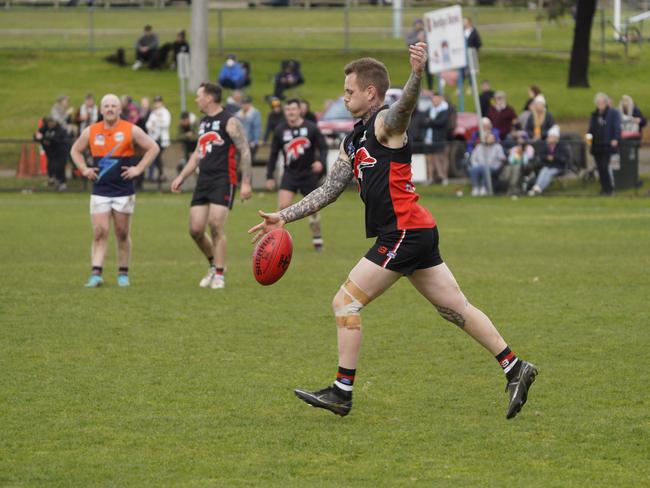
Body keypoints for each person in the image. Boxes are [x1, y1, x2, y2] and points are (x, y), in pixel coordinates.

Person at [249, 43, 537, 419]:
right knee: (455, 308)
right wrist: (285, 216)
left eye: (350, 91)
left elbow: (405, 108)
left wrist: (416, 76)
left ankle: (341, 391)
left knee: (345, 302)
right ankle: (515, 368)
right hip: (414, 232)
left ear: (370, 92)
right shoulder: (353, 141)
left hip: (403, 232)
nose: (344, 95)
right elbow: (331, 189)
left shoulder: (385, 123)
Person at [70, 94, 160, 287]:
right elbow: (75, 150)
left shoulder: (130, 130)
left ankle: (123, 274)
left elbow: (153, 148)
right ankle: (96, 274)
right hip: (100, 190)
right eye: (107, 106)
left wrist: (138, 169)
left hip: (123, 191)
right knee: (100, 231)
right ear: (101, 110)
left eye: (114, 106)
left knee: (121, 233)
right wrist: (84, 169)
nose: (110, 109)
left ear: (120, 110)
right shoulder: (91, 131)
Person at [170, 82, 253, 289]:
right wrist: (181, 176)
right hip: (203, 181)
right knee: (195, 229)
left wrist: (246, 183)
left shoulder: (230, 120)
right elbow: (197, 153)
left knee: (216, 225)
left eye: (199, 96)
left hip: (224, 179)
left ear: (209, 98)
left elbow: (245, 150)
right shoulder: (204, 122)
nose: (196, 99)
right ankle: (212, 264)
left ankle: (219, 274)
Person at [266, 98, 329, 251]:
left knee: (313, 210)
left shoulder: (311, 128)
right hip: (290, 174)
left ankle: (317, 238)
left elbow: (324, 147)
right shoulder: (280, 130)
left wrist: (320, 162)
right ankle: (276, 243)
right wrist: (269, 176)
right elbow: (274, 154)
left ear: (300, 110)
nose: (290, 112)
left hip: (308, 174)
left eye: (293, 109)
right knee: (282, 207)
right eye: (287, 110)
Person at [588, 92, 620, 196]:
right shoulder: (594, 115)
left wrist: (615, 138)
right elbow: (590, 130)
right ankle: (603, 188)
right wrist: (588, 141)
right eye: (598, 102)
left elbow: (616, 127)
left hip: (607, 144)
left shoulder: (613, 113)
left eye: (602, 102)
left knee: (605, 166)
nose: (600, 104)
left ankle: (609, 189)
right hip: (596, 145)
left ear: (606, 103)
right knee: (600, 168)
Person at [528, 125, 569, 196]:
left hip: (558, 166)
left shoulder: (561, 146)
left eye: (552, 137)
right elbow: (541, 155)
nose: (550, 139)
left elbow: (564, 158)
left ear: (556, 138)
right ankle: (536, 187)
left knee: (549, 174)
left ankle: (540, 188)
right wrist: (547, 157)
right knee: (543, 172)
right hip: (548, 165)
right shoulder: (546, 146)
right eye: (549, 137)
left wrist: (554, 158)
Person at [35, 117, 69, 191]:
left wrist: (45, 139)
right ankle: (53, 181)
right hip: (51, 153)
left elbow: (56, 140)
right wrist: (40, 138)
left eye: (51, 122)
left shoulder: (60, 129)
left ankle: (62, 183)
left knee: (60, 167)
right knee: (51, 166)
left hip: (61, 152)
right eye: (48, 123)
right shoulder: (45, 128)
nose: (50, 124)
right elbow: (37, 135)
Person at [423, 92, 450, 185]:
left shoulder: (445, 110)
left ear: (440, 99)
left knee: (442, 158)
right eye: (433, 98)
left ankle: (444, 177)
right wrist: (432, 122)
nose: (435, 100)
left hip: (440, 138)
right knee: (430, 159)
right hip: (429, 139)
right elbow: (423, 121)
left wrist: (430, 121)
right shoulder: (429, 110)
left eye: (437, 98)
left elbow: (441, 122)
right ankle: (431, 178)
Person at [468, 132, 505, 196]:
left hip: (493, 166)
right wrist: (476, 165)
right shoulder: (479, 147)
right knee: (472, 169)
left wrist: (502, 160)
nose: (491, 140)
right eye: (489, 138)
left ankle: (484, 187)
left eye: (492, 139)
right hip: (479, 166)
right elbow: (473, 158)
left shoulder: (498, 147)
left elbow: (502, 158)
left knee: (484, 169)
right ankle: (476, 187)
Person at [145, 95, 171, 182]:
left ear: (161, 102)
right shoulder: (153, 113)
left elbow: (166, 124)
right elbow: (148, 124)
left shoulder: (165, 112)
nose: (157, 103)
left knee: (157, 156)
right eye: (156, 102)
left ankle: (161, 174)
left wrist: (155, 123)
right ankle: (160, 174)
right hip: (154, 138)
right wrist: (151, 126)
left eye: (158, 102)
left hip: (162, 139)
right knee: (156, 157)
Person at [500, 130, 534, 195]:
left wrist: (522, 153)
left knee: (516, 168)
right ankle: (509, 188)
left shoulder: (529, 148)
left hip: (524, 166)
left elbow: (527, 159)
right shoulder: (514, 148)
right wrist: (516, 154)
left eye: (521, 138)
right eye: (518, 138)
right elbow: (510, 159)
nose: (519, 140)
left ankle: (514, 188)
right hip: (512, 165)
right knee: (509, 168)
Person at [235, 95, 262, 160]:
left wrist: (255, 141)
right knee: (239, 160)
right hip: (240, 142)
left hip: (251, 142)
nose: (244, 105)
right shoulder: (238, 114)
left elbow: (257, 128)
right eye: (243, 103)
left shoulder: (255, 113)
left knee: (249, 160)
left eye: (246, 103)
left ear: (249, 104)